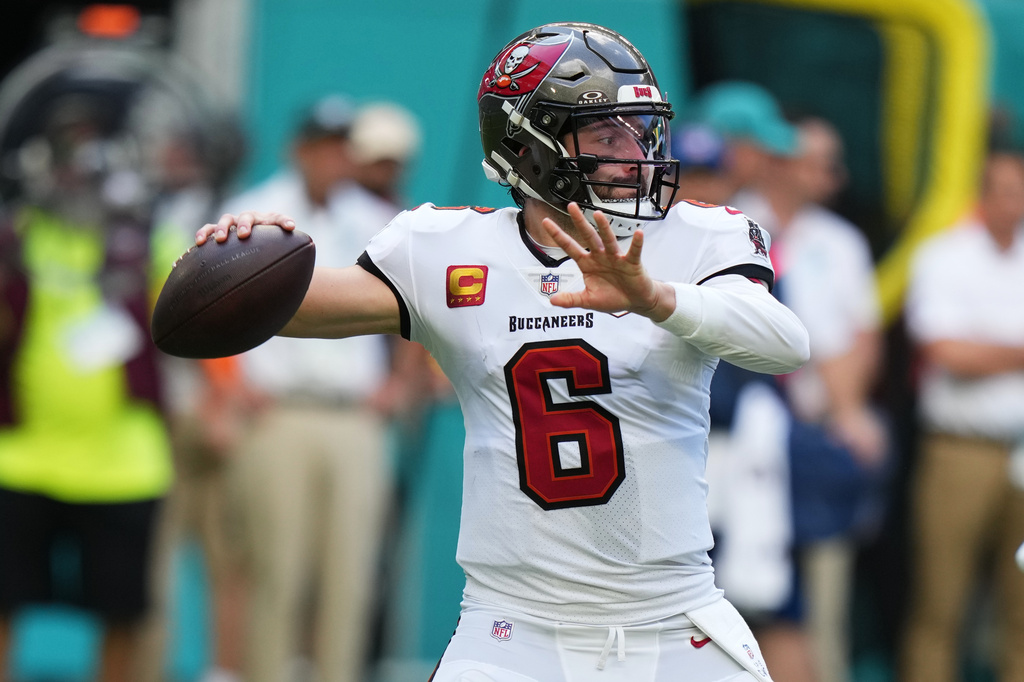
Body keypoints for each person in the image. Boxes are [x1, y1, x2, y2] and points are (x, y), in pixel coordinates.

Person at [194, 23, 810, 681]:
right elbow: (288, 307)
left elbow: (782, 342)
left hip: (672, 623)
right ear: (530, 146)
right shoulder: (445, 250)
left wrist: (654, 298)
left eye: (640, 129)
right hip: (513, 633)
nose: (635, 151)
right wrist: (232, 263)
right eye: (607, 134)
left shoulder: (694, 237)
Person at [0, 37, 205, 682]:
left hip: (124, 463)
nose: (80, 159)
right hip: (20, 455)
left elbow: (190, 310)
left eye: (93, 141)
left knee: (122, 614)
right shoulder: (19, 231)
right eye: (67, 142)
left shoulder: (149, 233)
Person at [218, 93, 401, 682]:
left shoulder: (373, 219)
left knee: (349, 574)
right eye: (323, 146)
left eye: (342, 146)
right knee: (278, 569)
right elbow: (209, 305)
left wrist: (399, 382)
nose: (334, 158)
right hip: (279, 412)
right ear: (299, 150)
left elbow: (411, 301)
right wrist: (231, 388)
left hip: (354, 415)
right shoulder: (253, 210)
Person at [719, 116, 889, 682]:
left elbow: (853, 340)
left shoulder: (839, 242)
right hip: (720, 442)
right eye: (818, 162)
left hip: (809, 437)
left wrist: (847, 414)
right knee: (720, 610)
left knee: (810, 605)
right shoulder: (724, 223)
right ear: (777, 159)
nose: (832, 177)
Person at [900, 149, 1024, 682]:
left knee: (1020, 612)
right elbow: (944, 350)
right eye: (1006, 190)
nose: (1015, 203)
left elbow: (968, 349)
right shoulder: (943, 256)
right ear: (983, 193)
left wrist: (989, 352)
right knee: (940, 604)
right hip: (961, 449)